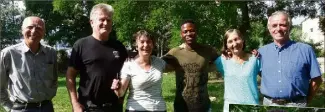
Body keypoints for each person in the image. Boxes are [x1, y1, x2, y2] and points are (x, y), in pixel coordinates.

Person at [66, 3, 127, 112]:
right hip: (89, 107)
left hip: (114, 107)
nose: (106, 23)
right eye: (102, 19)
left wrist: (122, 96)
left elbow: (126, 74)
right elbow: (70, 76)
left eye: (109, 20)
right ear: (92, 22)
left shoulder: (119, 46)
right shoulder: (81, 45)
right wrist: (75, 104)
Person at [259, 11, 323, 107]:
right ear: (269, 28)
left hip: (297, 105)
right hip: (269, 105)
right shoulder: (261, 52)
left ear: (289, 27)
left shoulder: (305, 50)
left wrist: (306, 101)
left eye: (283, 25)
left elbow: (317, 79)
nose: (278, 29)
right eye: (274, 25)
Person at [0, 16, 58, 112]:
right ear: (22, 30)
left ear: (44, 32)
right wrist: (9, 107)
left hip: (46, 107)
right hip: (21, 109)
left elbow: (54, 79)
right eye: (30, 27)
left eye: (39, 28)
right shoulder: (8, 53)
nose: (34, 31)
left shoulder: (51, 53)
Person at [164, 20, 218, 112]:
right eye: (185, 32)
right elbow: (157, 64)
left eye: (191, 30)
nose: (189, 34)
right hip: (181, 106)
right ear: (181, 34)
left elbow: (222, 62)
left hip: (203, 106)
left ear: (196, 32)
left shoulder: (208, 51)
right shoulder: (175, 52)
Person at [111, 30, 167, 112]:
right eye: (142, 42)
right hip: (136, 109)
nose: (146, 45)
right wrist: (117, 87)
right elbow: (121, 92)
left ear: (153, 44)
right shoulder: (129, 64)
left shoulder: (159, 62)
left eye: (149, 42)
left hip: (160, 108)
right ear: (136, 45)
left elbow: (177, 66)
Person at [214, 29, 260, 112]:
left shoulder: (255, 59)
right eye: (230, 41)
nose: (234, 44)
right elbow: (203, 63)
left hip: (252, 108)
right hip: (231, 109)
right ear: (226, 45)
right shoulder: (222, 61)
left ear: (242, 39)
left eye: (236, 39)